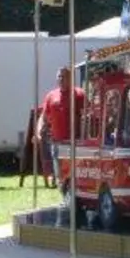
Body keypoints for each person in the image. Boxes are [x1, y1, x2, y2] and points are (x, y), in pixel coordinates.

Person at [36, 67, 86, 199]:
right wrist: (39, 130)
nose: (61, 79)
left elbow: (87, 115)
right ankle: (65, 198)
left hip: (75, 143)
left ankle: (76, 199)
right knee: (60, 174)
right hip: (57, 142)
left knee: (75, 174)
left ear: (71, 78)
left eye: (64, 76)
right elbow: (44, 116)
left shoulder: (79, 94)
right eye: (59, 76)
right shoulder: (51, 96)